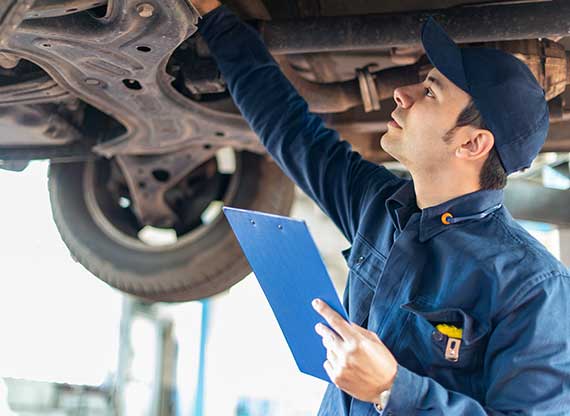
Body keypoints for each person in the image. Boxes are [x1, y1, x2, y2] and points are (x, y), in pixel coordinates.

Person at [190, 1, 570, 414]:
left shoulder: (535, 287)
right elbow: (289, 129)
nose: (401, 93)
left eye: (429, 92)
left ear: (472, 143)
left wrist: (391, 389)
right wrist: (215, 18)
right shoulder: (380, 205)